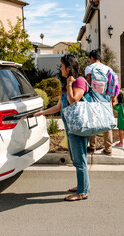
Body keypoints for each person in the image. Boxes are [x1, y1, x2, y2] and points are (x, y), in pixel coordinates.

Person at [34, 54, 90, 201]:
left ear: (68, 67)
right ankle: (82, 185)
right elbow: (59, 106)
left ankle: (82, 192)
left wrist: (70, 84)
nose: (60, 68)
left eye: (61, 65)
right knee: (76, 157)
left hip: (79, 127)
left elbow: (73, 100)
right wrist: (42, 112)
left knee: (79, 159)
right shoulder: (66, 83)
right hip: (70, 127)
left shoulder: (79, 81)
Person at [85, 49, 115, 155]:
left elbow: (88, 83)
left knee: (92, 121)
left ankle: (92, 146)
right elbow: (113, 84)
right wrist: (112, 99)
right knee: (106, 123)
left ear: (92, 58)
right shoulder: (108, 69)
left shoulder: (89, 68)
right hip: (106, 98)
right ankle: (108, 149)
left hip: (93, 98)